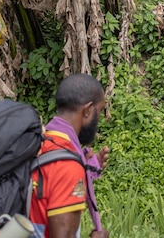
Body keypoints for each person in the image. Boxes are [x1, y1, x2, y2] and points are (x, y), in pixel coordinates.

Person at [30, 74, 110, 238]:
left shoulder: (42, 142)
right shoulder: (67, 165)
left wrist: (88, 166)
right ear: (87, 110)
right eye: (99, 111)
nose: (99, 119)